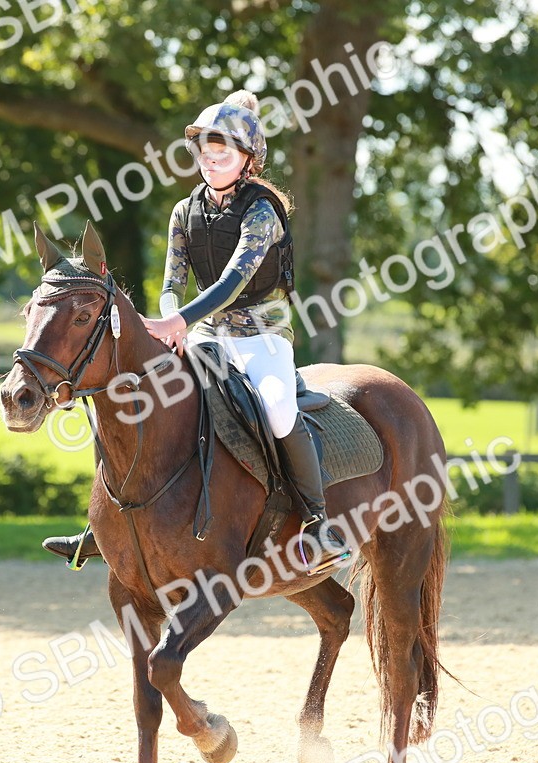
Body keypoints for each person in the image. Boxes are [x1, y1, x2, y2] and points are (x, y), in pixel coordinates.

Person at [42, 90, 351, 576]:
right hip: (205, 334)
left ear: (248, 160)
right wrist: (174, 323)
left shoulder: (262, 212)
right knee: (135, 400)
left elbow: (233, 282)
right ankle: (103, 526)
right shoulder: (184, 212)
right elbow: (171, 285)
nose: (210, 161)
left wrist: (178, 320)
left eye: (221, 153)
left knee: (278, 410)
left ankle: (317, 523)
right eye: (204, 152)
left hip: (263, 336)